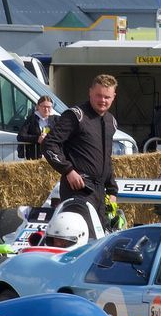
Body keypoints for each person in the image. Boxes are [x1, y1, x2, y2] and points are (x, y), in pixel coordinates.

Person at [42, 75, 120, 214]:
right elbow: (49, 143)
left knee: (101, 234)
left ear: (113, 97)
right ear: (90, 92)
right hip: (78, 189)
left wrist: (112, 190)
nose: (102, 100)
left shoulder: (111, 121)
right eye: (98, 95)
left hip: (100, 192)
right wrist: (68, 170)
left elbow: (106, 159)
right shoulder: (76, 115)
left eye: (107, 97)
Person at [16, 95, 55, 160]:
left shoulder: (56, 119)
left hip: (52, 156)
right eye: (44, 106)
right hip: (34, 156)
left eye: (49, 107)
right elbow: (20, 136)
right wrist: (37, 139)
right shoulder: (31, 119)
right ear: (38, 106)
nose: (46, 109)